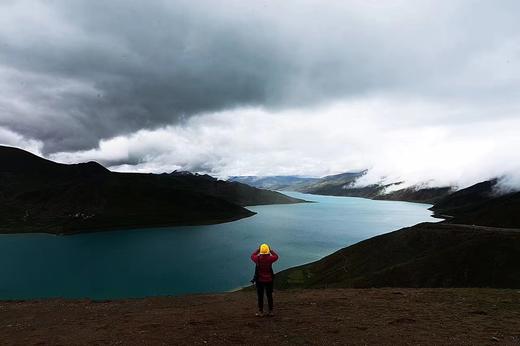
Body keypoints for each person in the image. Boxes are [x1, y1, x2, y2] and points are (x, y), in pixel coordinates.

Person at [250, 243, 279, 317]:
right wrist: (271, 250)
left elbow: (252, 256)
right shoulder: (270, 259)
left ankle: (261, 312)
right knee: (269, 296)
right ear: (267, 251)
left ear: (261, 251)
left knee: (260, 296)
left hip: (259, 280)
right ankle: (271, 311)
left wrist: (258, 250)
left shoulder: (257, 259)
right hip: (269, 280)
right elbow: (276, 256)